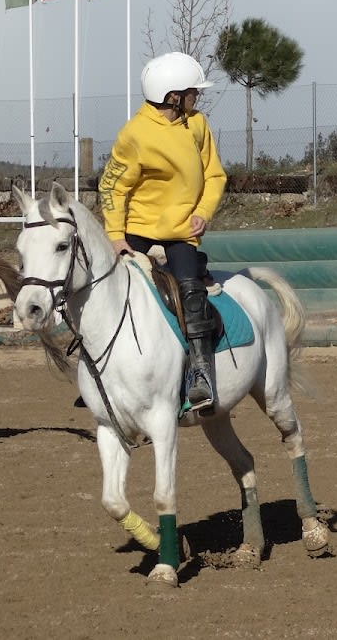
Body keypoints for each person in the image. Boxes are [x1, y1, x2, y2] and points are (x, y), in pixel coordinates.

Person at [97, 52, 227, 415]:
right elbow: (112, 187)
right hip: (136, 232)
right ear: (173, 97)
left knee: (190, 290)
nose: (196, 98)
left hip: (181, 233)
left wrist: (203, 212)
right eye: (192, 92)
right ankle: (104, 375)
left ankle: (201, 374)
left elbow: (215, 175)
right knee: (111, 290)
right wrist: (116, 236)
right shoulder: (135, 134)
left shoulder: (197, 124)